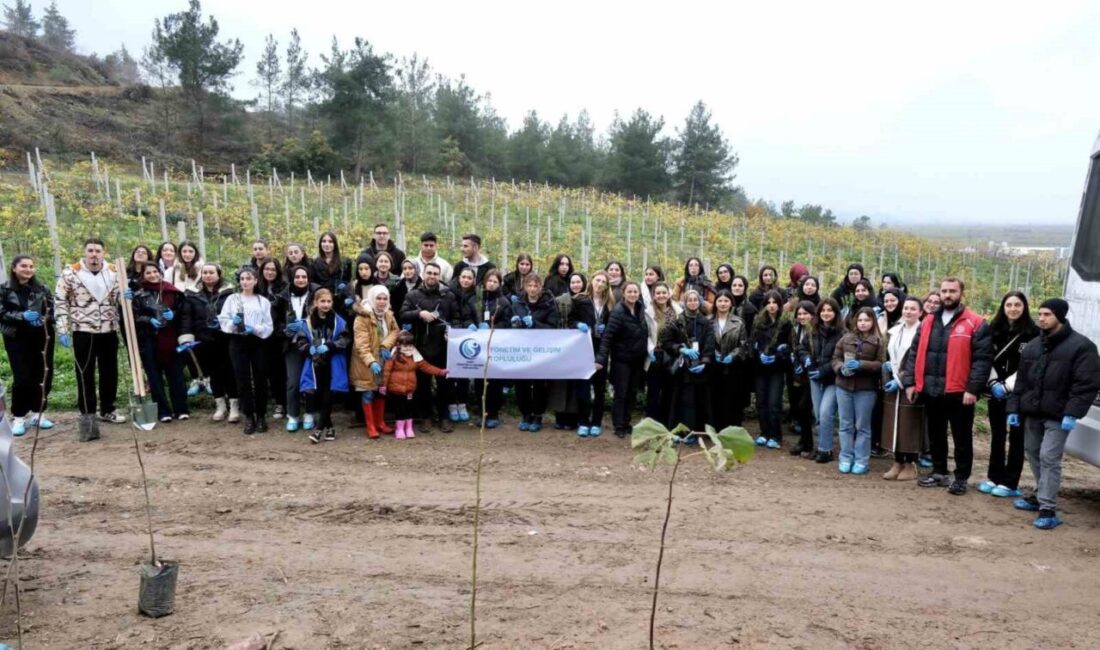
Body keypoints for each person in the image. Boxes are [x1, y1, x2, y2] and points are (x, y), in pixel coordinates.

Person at [1008, 298, 1100, 529]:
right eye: (1040, 314)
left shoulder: (1082, 347)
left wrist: (1072, 412)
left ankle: (1047, 508)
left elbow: (1086, 384)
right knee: (1033, 452)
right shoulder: (1033, 346)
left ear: (1059, 315)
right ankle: (1040, 494)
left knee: (1049, 457)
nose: (1041, 318)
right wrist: (1014, 408)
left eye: (1047, 314)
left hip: (1059, 415)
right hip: (1033, 412)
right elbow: (1021, 381)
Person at [902, 277, 992, 495]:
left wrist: (973, 388)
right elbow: (914, 353)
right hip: (931, 389)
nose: (947, 295)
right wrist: (910, 382)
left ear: (961, 293)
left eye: (952, 291)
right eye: (944, 291)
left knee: (961, 437)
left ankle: (961, 477)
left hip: (960, 392)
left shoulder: (975, 322)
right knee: (936, 434)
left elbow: (982, 359)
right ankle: (939, 472)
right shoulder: (928, 321)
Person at [55, 238, 126, 438]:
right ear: (85, 252)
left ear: (104, 252)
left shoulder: (114, 271)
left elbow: (120, 298)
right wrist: (62, 328)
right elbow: (60, 300)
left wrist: (125, 296)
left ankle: (107, 409)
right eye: (90, 251)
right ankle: (87, 413)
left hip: (108, 329)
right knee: (84, 373)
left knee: (109, 372)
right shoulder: (71, 272)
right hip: (83, 330)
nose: (94, 254)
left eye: (98, 251)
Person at [979, 291, 1040, 498]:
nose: (1013, 309)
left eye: (1017, 305)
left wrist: (1007, 386)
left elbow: (1029, 365)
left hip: (1020, 392)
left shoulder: (1033, 333)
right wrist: (994, 382)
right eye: (1008, 305)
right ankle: (993, 476)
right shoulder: (992, 329)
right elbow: (985, 357)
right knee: (997, 435)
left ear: (1024, 307)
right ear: (1003, 307)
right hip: (995, 390)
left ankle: (1010, 482)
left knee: (1017, 437)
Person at [0, 255, 56, 435]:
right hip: (16, 338)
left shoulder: (42, 289)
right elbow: (1, 313)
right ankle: (18, 417)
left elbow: (52, 310)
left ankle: (39, 414)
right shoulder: (4, 290)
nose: (28, 269)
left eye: (31, 266)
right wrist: (21, 316)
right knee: (22, 377)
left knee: (43, 375)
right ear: (14, 268)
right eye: (24, 266)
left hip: (41, 337)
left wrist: (43, 319)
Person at [399, 262, 455, 433]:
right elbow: (402, 314)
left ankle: (444, 417)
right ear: (423, 274)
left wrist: (451, 331)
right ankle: (426, 417)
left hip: (443, 346)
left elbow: (457, 318)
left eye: (435, 273)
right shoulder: (413, 295)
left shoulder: (448, 295)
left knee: (445, 384)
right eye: (429, 273)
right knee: (423, 385)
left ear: (440, 276)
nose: (432, 276)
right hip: (420, 346)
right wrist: (419, 314)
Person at [130, 262, 189, 422]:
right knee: (155, 378)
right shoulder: (138, 294)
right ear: (143, 275)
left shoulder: (172, 291)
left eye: (155, 271)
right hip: (149, 340)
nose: (152, 275)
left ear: (160, 272)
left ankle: (181, 409)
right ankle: (163, 411)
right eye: (148, 273)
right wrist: (148, 320)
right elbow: (133, 316)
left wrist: (174, 314)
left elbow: (183, 312)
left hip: (171, 339)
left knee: (176, 375)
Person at [179, 263, 238, 423]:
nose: (208, 275)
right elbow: (187, 317)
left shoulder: (229, 294)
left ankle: (234, 405)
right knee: (214, 373)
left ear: (219, 274)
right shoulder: (193, 295)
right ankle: (220, 406)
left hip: (225, 338)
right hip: (204, 340)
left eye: (211, 272)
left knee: (230, 372)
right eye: (205, 272)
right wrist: (186, 337)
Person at [219, 267, 274, 435]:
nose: (245, 282)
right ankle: (249, 416)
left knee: (260, 379)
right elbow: (223, 320)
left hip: (257, 342)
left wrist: (255, 329)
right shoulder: (232, 299)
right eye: (242, 279)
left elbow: (268, 326)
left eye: (249, 278)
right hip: (238, 341)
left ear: (255, 280)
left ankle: (261, 415)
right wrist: (233, 323)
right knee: (242, 379)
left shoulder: (262, 301)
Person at [831, 307, 885, 474]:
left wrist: (862, 365)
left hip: (865, 389)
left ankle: (862, 459)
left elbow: (880, 364)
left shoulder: (878, 341)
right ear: (855, 321)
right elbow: (835, 358)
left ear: (872, 322)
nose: (863, 323)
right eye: (860, 320)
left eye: (867, 320)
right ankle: (846, 456)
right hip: (844, 386)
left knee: (862, 426)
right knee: (846, 425)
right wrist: (840, 368)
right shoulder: (846, 338)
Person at [596, 281, 648, 438]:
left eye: (635, 292)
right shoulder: (618, 312)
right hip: (622, 360)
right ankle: (618, 425)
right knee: (621, 393)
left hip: (638, 359)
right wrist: (601, 357)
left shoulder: (641, 309)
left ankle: (626, 422)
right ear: (624, 293)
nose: (633, 294)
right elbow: (608, 337)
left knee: (632, 393)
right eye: (629, 292)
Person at [298, 289, 350, 443]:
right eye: (322, 301)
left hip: (332, 364)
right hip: (315, 364)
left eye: (328, 301)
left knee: (328, 396)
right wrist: (308, 348)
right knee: (318, 396)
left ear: (332, 303)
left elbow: (345, 339)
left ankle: (318, 430)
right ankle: (331, 428)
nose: (326, 304)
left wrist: (331, 345)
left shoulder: (338, 321)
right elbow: (300, 342)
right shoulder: (307, 322)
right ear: (316, 302)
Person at [881, 296, 925, 481]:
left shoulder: (922, 331)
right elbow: (891, 354)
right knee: (894, 422)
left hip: (911, 383)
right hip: (893, 381)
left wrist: (901, 379)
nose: (908, 312)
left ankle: (910, 463)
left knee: (910, 424)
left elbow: (918, 360)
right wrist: (889, 367)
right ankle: (897, 461)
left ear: (920, 312)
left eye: (913, 309)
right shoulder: (895, 330)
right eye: (906, 308)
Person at [662, 289, 715, 433]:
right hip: (683, 369)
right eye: (689, 300)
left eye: (695, 300)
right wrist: (681, 349)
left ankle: (699, 430)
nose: (693, 302)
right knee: (684, 400)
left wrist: (704, 361)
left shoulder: (706, 322)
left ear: (699, 301)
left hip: (701, 369)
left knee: (700, 399)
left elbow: (710, 344)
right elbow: (666, 342)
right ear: (685, 302)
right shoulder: (677, 321)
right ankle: (684, 431)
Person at [510, 274, 558, 431]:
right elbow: (509, 323)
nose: (532, 289)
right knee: (521, 384)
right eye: (529, 286)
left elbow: (553, 327)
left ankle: (537, 416)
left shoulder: (548, 304)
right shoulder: (518, 304)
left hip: (540, 351)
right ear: (525, 287)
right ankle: (525, 414)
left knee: (539, 385)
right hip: (521, 350)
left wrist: (535, 324)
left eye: (535, 286)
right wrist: (514, 323)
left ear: (540, 287)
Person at [381, 330, 449, 440]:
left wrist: (440, 371)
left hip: (410, 389)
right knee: (400, 409)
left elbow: (427, 367)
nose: (408, 349)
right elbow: (386, 371)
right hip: (396, 388)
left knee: (409, 408)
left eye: (410, 346)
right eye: (405, 346)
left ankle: (409, 428)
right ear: (398, 345)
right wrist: (384, 385)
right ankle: (399, 429)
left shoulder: (416, 357)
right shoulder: (393, 356)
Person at [804, 298, 844, 463]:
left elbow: (839, 358)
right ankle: (822, 446)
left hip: (833, 380)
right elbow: (802, 347)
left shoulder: (842, 334)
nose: (826, 313)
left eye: (830, 310)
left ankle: (825, 450)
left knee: (826, 412)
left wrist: (822, 370)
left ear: (835, 313)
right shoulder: (812, 331)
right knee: (818, 415)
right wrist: (805, 358)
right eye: (823, 310)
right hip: (815, 378)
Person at [281, 265, 320, 431]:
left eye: (304, 277)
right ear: (292, 278)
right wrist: (285, 329)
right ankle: (293, 414)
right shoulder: (283, 297)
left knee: (311, 381)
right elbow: (275, 321)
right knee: (293, 382)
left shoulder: (316, 295)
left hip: (311, 344)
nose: (301, 280)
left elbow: (324, 316)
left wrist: (306, 326)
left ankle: (310, 412)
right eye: (297, 277)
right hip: (291, 345)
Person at [751, 290, 791, 448]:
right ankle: (764, 432)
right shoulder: (759, 322)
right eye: (769, 303)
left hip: (777, 368)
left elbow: (789, 346)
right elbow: (753, 342)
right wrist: (758, 353)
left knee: (774, 402)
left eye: (775, 302)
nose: (772, 306)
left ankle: (775, 435)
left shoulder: (785, 322)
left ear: (780, 305)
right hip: (761, 368)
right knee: (761, 401)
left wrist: (779, 354)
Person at [474, 269, 510, 428]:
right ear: (484, 282)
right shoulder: (477, 299)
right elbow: (470, 315)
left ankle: (493, 413)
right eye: (489, 280)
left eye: (495, 281)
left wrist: (492, 326)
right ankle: (481, 412)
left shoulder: (503, 302)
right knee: (479, 380)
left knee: (494, 382)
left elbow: (508, 323)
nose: (492, 284)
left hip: (496, 346)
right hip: (479, 347)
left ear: (499, 284)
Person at [708, 289, 748, 429]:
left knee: (732, 399)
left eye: (726, 301)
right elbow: (704, 343)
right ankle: (716, 429)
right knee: (714, 398)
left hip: (733, 368)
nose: (723, 304)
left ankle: (732, 428)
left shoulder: (739, 322)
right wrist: (712, 353)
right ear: (715, 303)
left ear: (731, 303)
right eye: (720, 301)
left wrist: (733, 355)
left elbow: (743, 344)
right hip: (713, 368)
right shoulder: (708, 321)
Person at [445, 267, 481, 422]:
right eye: (463, 277)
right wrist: (449, 329)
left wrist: (477, 325)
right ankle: (452, 404)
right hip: (452, 338)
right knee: (451, 373)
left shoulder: (477, 296)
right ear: (459, 278)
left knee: (465, 373)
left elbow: (478, 315)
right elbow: (445, 314)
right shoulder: (449, 293)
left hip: (469, 339)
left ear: (473, 280)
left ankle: (463, 404)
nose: (466, 280)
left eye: (469, 278)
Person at [644, 281, 680, 427]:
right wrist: (649, 350)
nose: (661, 295)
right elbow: (644, 334)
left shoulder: (677, 312)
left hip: (671, 355)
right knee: (653, 391)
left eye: (664, 292)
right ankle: (651, 424)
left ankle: (667, 424)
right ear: (653, 295)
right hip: (654, 354)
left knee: (669, 391)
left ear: (669, 294)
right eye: (658, 293)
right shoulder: (648, 312)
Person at [259, 257, 289, 420]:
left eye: (273, 269)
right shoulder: (257, 287)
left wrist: (281, 329)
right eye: (267, 269)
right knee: (266, 370)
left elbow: (286, 313)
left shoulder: (284, 288)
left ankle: (281, 403)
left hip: (278, 335)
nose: (269, 272)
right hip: (260, 335)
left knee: (279, 372)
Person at [787, 301, 818, 457]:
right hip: (798, 375)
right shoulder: (795, 330)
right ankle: (804, 442)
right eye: (799, 314)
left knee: (804, 407)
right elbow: (795, 349)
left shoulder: (816, 330)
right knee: (800, 409)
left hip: (814, 375)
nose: (802, 317)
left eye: (805, 313)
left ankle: (812, 445)